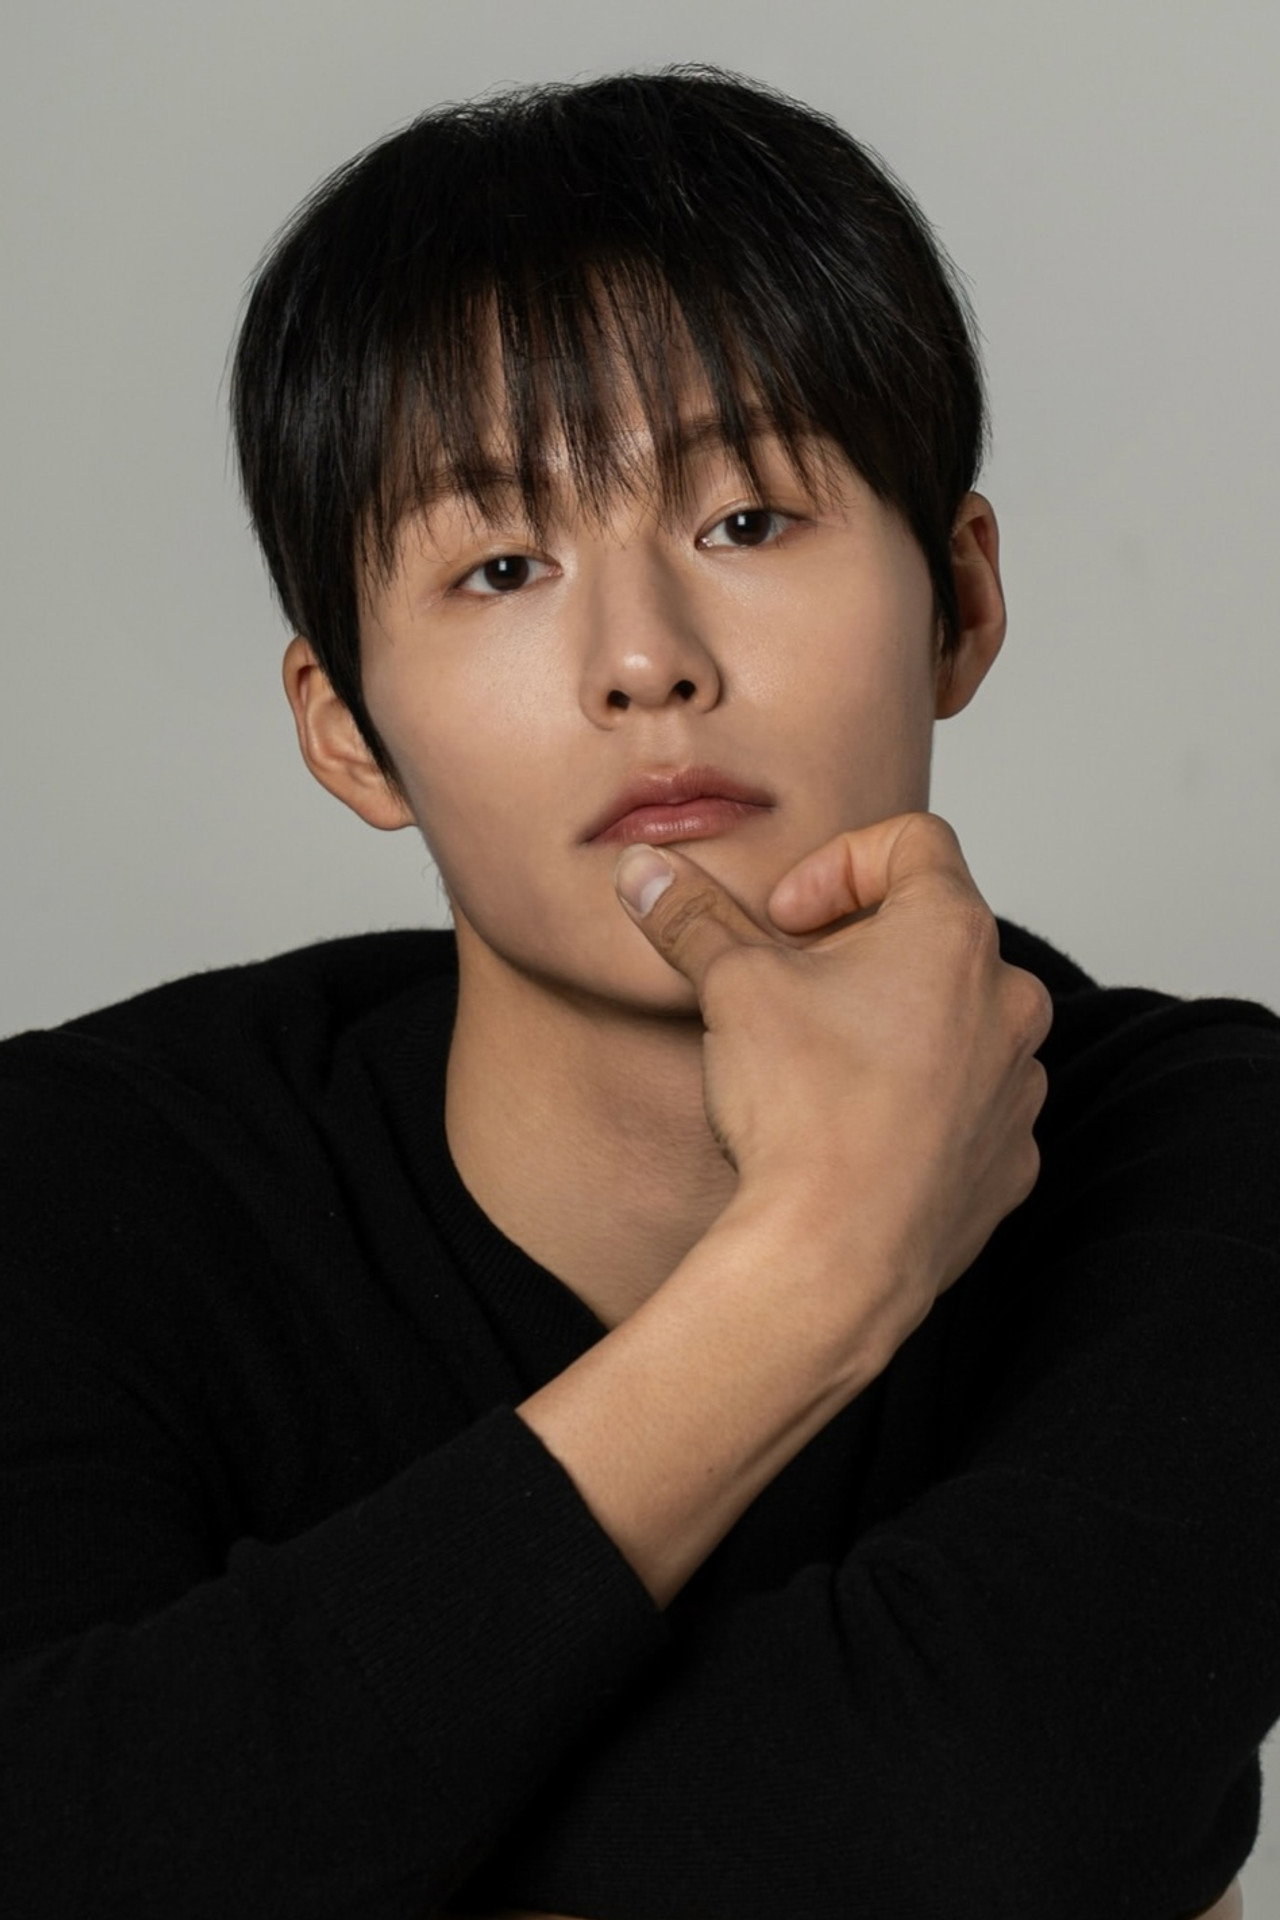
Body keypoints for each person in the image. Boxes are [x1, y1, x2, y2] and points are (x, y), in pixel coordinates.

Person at [0, 64, 1272, 1920]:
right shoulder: (77, 1175)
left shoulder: (1212, 1152)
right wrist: (820, 1267)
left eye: (746, 522)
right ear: (346, 731)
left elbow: (981, 1822)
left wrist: (292, 1818)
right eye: (502, 565)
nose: (644, 663)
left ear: (963, 602)